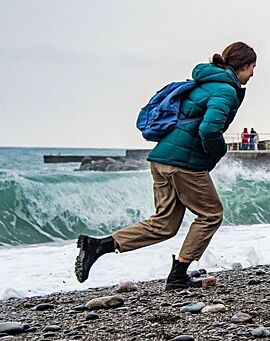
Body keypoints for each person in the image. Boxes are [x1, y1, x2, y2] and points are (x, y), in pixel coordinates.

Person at [74, 42, 257, 290]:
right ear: (243, 66)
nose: (253, 74)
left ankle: (98, 246)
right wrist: (217, 153)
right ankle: (179, 274)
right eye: (252, 67)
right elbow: (209, 128)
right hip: (184, 162)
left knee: (165, 224)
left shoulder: (204, 82)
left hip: (161, 159)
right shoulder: (226, 90)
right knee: (211, 215)